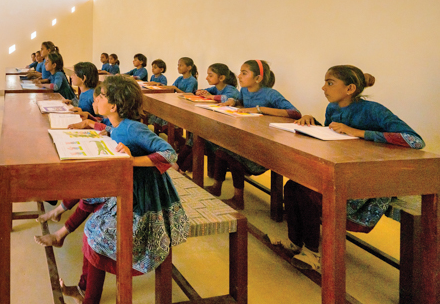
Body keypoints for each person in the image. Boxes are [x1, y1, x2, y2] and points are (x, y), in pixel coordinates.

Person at [267, 65, 424, 272]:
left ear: (350, 88)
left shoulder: (373, 110)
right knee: (293, 186)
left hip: (368, 184)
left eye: (330, 83)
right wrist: (311, 123)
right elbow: (332, 135)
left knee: (306, 192)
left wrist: (359, 132)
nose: (323, 88)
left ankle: (313, 254)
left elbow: (414, 140)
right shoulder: (332, 108)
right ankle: (296, 243)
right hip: (342, 173)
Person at [52, 76, 189, 304]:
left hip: (145, 204)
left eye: (102, 96)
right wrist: (90, 124)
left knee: (96, 237)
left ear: (113, 106)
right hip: (128, 192)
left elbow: (169, 154)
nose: (96, 99)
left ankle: (89, 296)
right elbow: (111, 130)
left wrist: (132, 160)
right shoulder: (119, 125)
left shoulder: (134, 128)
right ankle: (86, 291)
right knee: (93, 230)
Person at [207, 60, 301, 210]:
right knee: (220, 146)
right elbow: (242, 103)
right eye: (240, 72)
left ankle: (238, 199)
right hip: (247, 140)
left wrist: (260, 109)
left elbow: (294, 113)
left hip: (264, 148)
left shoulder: (271, 94)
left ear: (258, 78)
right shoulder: (244, 91)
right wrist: (233, 101)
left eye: (244, 73)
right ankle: (216, 186)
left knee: (233, 153)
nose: (239, 76)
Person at [176, 63, 240, 172]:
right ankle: (177, 165)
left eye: (210, 75)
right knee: (194, 138)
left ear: (221, 78)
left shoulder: (230, 89)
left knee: (198, 139)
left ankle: (181, 168)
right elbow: (201, 91)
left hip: (226, 130)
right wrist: (200, 92)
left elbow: (228, 98)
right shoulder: (216, 88)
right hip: (215, 125)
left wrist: (210, 96)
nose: (206, 78)